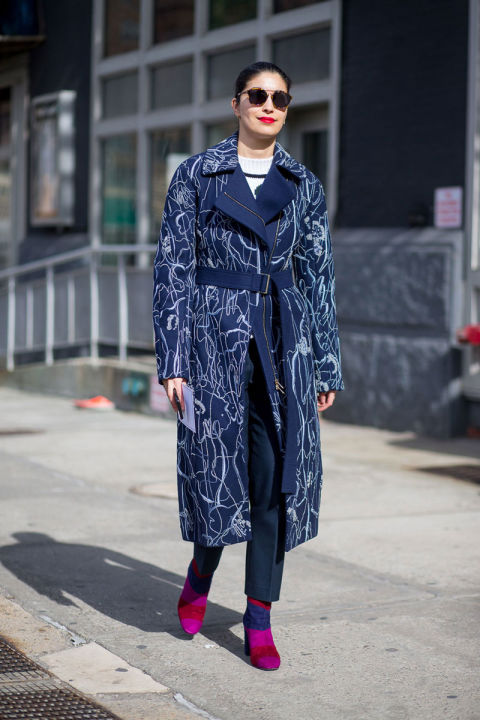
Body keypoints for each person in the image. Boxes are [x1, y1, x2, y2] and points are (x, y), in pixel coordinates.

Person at [153, 61, 343, 671]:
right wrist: (174, 359)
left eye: (280, 98)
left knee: (274, 480)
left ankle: (259, 615)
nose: (269, 105)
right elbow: (173, 270)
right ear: (235, 104)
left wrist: (326, 365)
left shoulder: (303, 183)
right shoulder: (197, 175)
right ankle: (200, 571)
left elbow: (318, 277)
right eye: (258, 96)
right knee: (216, 472)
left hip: (284, 344)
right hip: (214, 340)